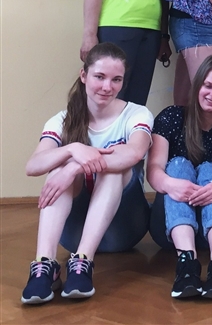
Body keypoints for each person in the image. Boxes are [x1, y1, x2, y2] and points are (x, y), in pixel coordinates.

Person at [21, 43, 153, 304]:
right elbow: (33, 166)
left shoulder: (136, 114)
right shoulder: (62, 120)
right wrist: (72, 149)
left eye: (116, 80)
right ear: (84, 75)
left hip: (125, 228)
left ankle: (83, 263)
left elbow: (134, 153)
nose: (107, 87)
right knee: (58, 167)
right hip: (73, 233)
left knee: (111, 170)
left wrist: (74, 165)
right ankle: (44, 265)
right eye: (99, 77)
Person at [147, 55, 212, 299]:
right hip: (170, 227)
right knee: (178, 165)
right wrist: (171, 184)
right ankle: (186, 263)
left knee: (211, 170)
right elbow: (153, 169)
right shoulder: (171, 117)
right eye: (208, 86)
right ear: (197, 86)